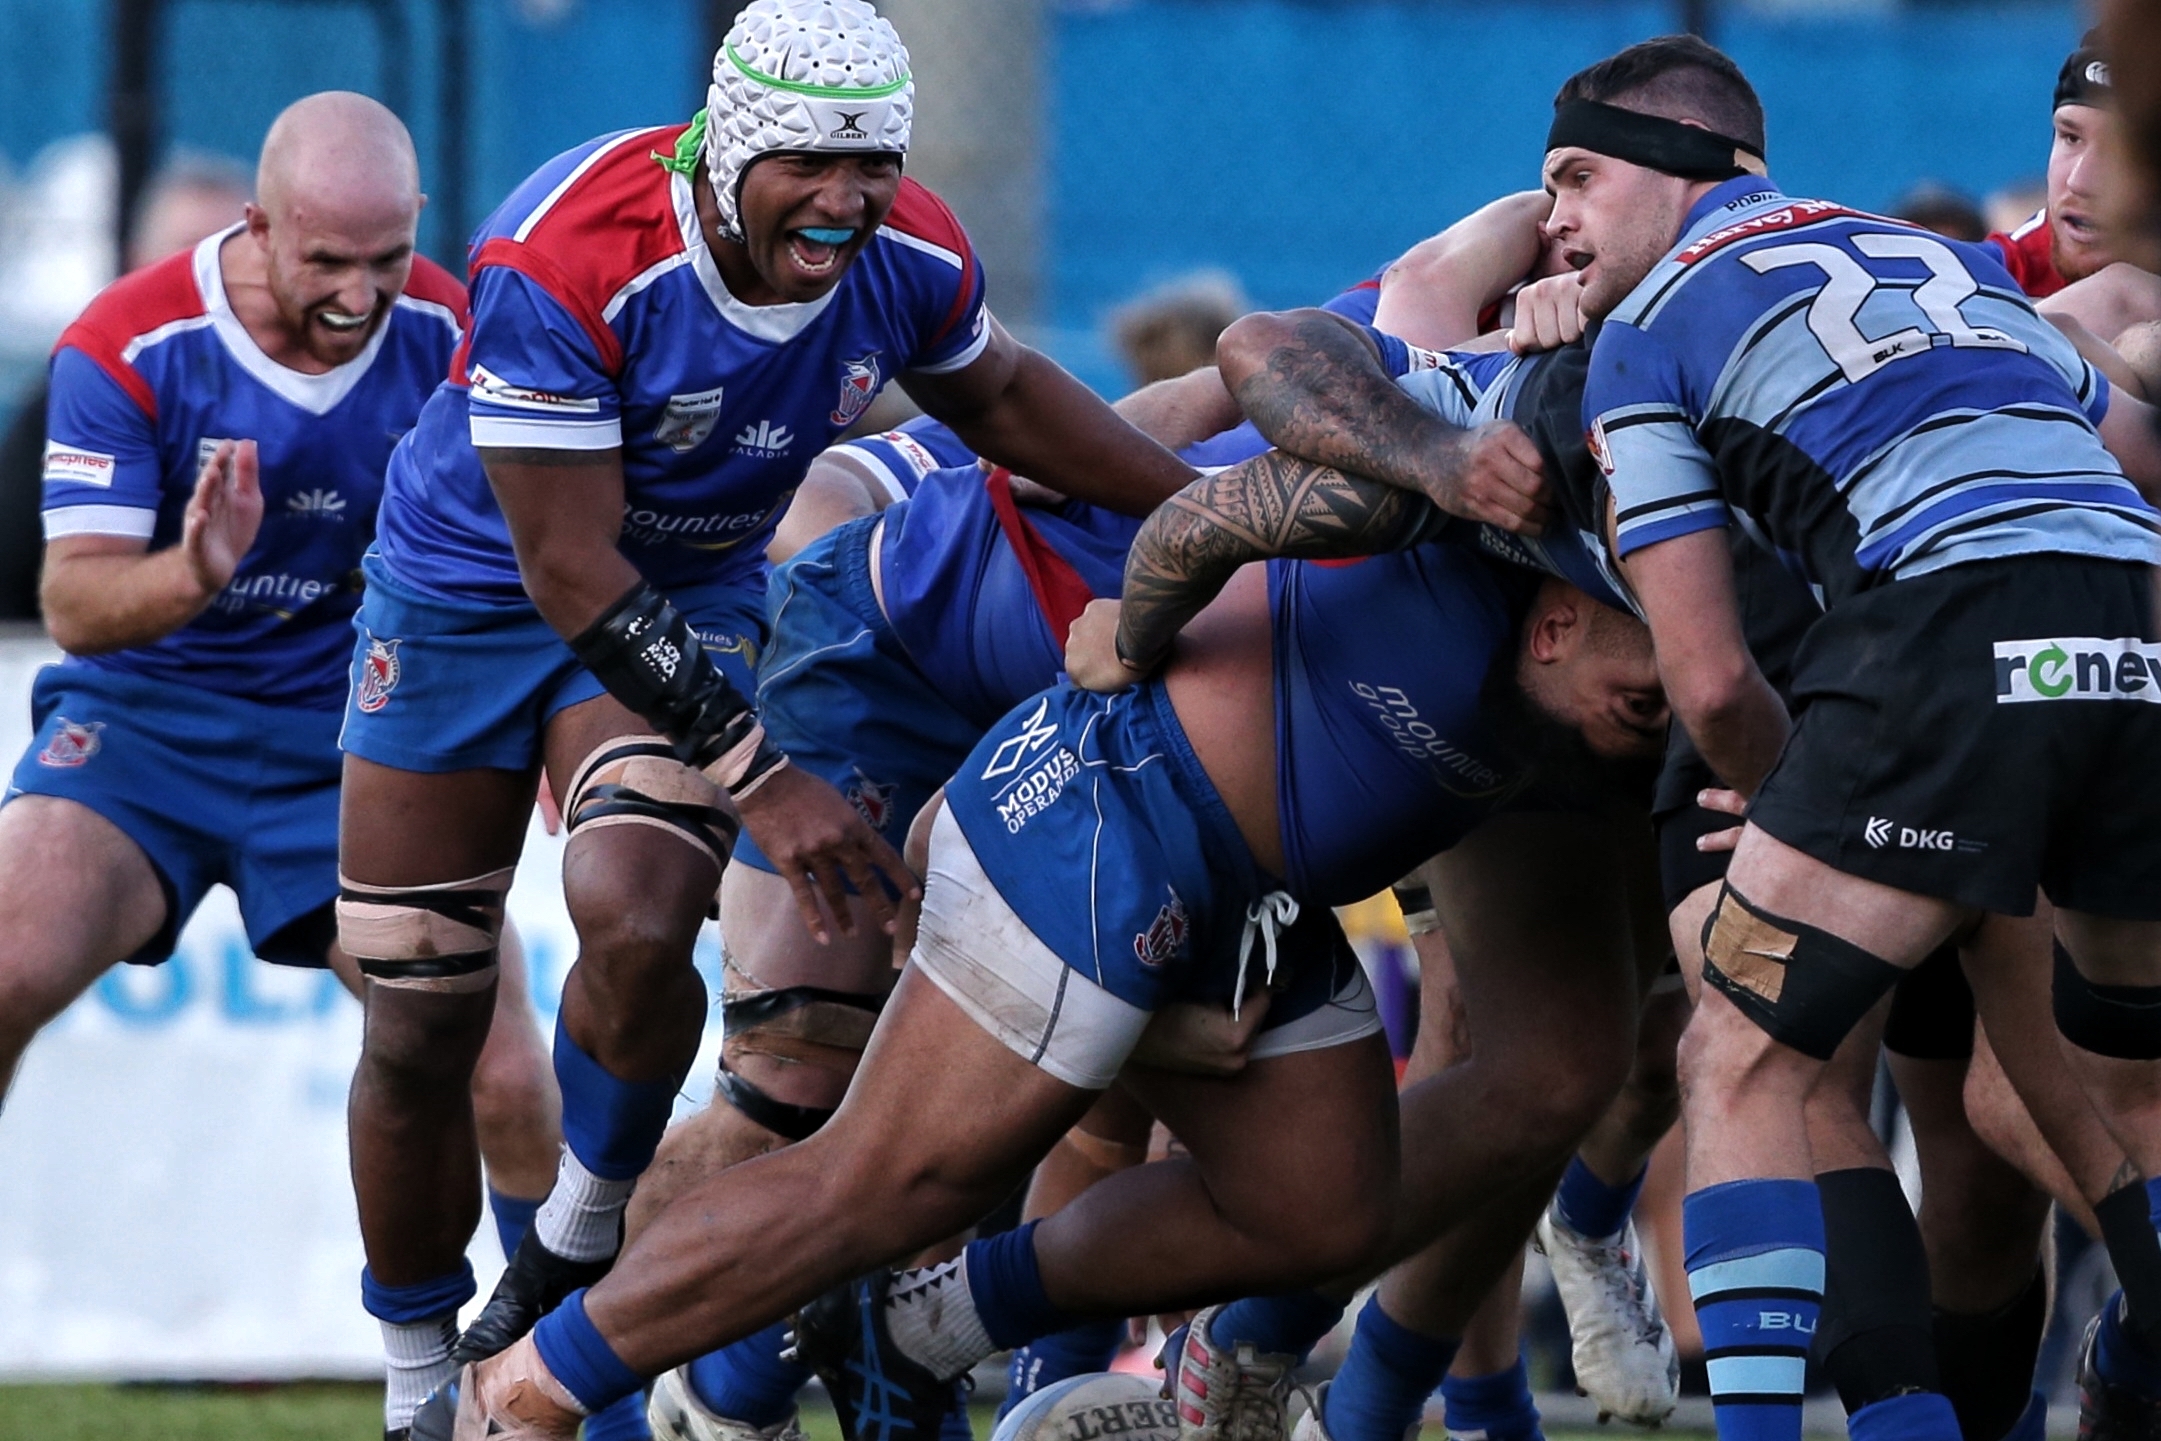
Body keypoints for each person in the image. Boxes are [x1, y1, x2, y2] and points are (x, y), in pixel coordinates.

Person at [410, 336, 1669, 1437]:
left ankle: (928, 1326)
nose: (1670, 694)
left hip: (1236, 881)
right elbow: (1219, 440)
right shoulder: (1433, 450)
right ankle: (523, 1391)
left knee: (1322, 1201)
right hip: (1065, 775)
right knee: (841, 1140)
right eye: (1647, 675)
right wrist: (1130, 628)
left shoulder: (1660, 554)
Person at [336, 0, 1200, 1424]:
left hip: (690, 590)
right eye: (809, 161)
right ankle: (419, 1372)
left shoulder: (907, 246)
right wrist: (765, 775)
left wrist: (1203, 515)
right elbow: (564, 567)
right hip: (465, 598)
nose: (848, 197)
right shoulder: (569, 250)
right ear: (728, 146)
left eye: (874, 163)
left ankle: (584, 1223)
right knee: (420, 1014)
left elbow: (1002, 396)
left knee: (633, 906)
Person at [1536, 34, 2161, 1441]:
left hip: (1933, 654)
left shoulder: (1642, 333)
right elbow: (2140, 463)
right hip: (2128, 638)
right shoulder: (1960, 270)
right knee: (2125, 1093)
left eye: (1574, 177)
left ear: (1676, 167)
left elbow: (1704, 684)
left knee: (1744, 1054)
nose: (1555, 217)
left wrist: (1796, 803)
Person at [0, 93, 563, 1440]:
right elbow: (72, 606)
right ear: (261, 227)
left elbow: (535, 555)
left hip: (361, 740)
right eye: (328, 263)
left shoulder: (455, 336)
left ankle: (550, 1386)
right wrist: (191, 571)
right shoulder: (129, 344)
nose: (362, 293)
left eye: (386, 259)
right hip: (148, 729)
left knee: (504, 1070)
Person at [0, 155, 258, 621]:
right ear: (136, 261)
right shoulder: (79, 393)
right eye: (188, 255)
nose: (213, 282)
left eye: (230, 255)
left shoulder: (329, 395)